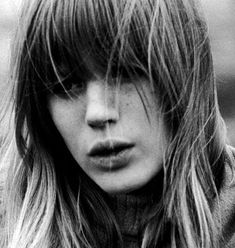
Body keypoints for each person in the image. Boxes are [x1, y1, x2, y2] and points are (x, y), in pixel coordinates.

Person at [0, 0, 235, 247]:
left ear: (187, 72)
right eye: (66, 85)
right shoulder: (8, 221)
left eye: (125, 72)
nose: (98, 113)